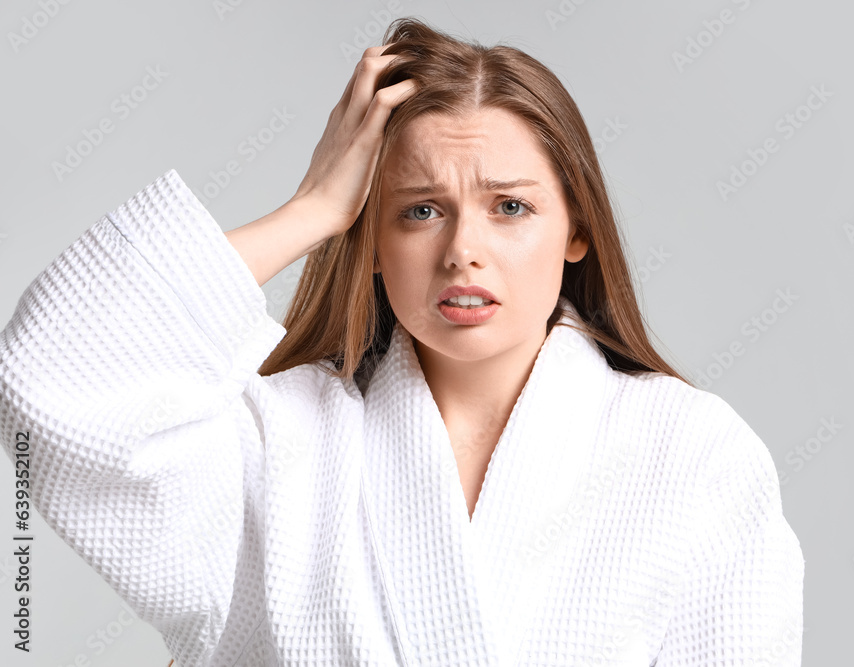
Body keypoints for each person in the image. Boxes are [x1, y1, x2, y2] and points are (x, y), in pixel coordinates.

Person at [0, 17, 804, 667]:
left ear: (578, 229)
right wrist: (312, 209)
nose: (462, 249)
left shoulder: (693, 455)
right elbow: (51, 375)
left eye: (510, 207)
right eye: (418, 209)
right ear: (372, 239)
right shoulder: (275, 445)